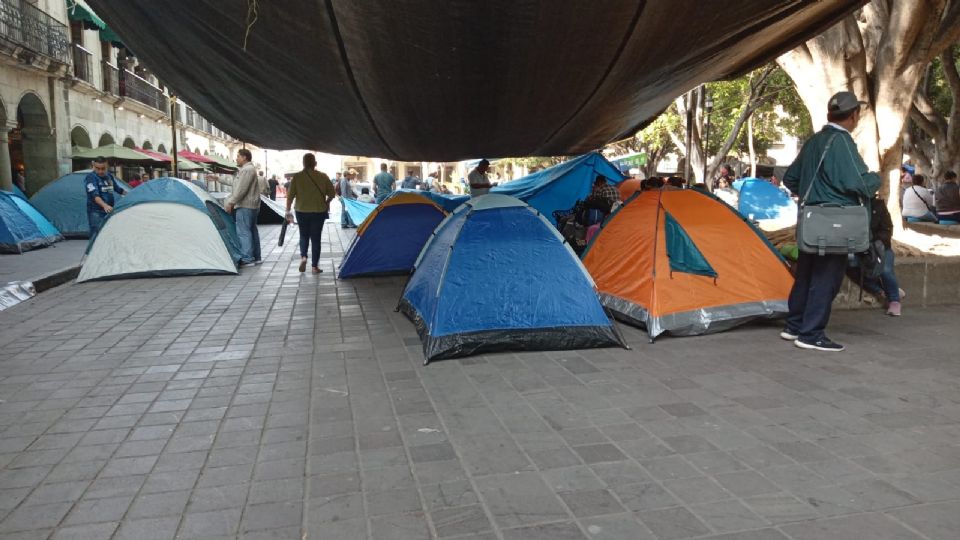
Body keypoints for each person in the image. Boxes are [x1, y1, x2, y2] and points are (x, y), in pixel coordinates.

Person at [782, 90, 881, 352]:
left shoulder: (815, 141)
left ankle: (794, 326)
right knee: (827, 277)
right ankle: (811, 333)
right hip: (835, 223)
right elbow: (858, 182)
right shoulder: (841, 142)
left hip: (811, 220)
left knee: (806, 273)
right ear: (853, 115)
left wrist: (814, 193)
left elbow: (790, 179)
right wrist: (877, 179)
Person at [847, 193, 904, 316]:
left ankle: (894, 300)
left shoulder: (878, 206)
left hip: (880, 247)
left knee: (885, 270)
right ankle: (881, 291)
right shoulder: (851, 206)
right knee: (850, 265)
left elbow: (887, 229)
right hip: (858, 248)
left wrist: (874, 243)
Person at [285, 153, 335, 273]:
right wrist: (327, 202)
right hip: (318, 211)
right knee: (316, 238)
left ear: (303, 164)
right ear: (315, 164)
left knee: (303, 235)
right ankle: (314, 267)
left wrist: (287, 210)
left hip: (301, 211)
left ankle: (303, 257)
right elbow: (332, 193)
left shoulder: (297, 177)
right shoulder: (323, 176)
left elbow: (290, 196)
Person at [225, 148, 262, 267]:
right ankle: (256, 257)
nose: (237, 158)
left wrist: (231, 202)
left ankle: (247, 258)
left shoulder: (247, 170)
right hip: (251, 205)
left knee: (244, 232)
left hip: (245, 205)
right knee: (251, 231)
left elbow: (241, 189)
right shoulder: (248, 170)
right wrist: (218, 179)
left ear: (244, 157)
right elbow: (236, 183)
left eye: (238, 156)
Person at [84, 156, 127, 237]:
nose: (100, 171)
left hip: (109, 210)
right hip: (96, 212)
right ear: (93, 166)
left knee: (107, 235)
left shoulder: (109, 176)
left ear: (107, 166)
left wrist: (130, 194)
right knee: (97, 236)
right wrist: (105, 205)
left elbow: (118, 189)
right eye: (97, 168)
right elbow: (94, 195)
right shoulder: (91, 178)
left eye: (103, 168)